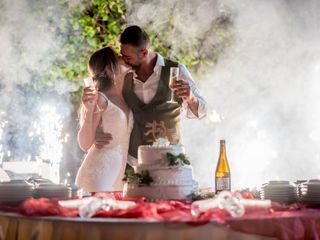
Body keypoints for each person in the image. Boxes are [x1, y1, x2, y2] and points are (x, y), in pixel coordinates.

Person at [92, 25, 206, 163]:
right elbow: (108, 107)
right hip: (133, 162)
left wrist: (190, 98)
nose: (123, 60)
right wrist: (97, 132)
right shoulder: (123, 77)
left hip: (170, 161)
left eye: (127, 57)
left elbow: (202, 111)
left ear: (144, 53)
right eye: (122, 55)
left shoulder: (176, 70)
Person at [75, 47, 133, 192]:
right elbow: (85, 144)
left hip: (118, 180)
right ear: (109, 69)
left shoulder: (127, 95)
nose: (123, 59)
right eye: (118, 57)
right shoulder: (100, 98)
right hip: (98, 176)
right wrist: (88, 109)